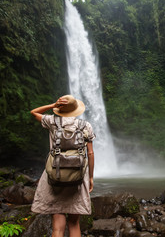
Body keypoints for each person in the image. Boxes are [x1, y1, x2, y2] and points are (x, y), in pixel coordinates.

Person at [30, 95, 95, 237]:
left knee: (57, 227)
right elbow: (90, 153)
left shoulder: (52, 121)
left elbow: (34, 112)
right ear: (76, 109)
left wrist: (53, 105)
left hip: (55, 176)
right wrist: (90, 177)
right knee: (74, 223)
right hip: (77, 177)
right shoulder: (85, 126)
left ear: (59, 109)